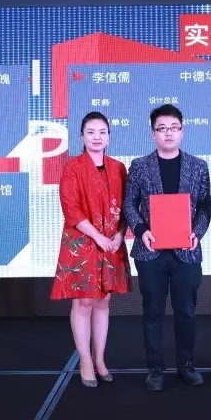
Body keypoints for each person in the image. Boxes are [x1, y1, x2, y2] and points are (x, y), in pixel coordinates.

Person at [123, 104, 211, 391]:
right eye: (162, 129)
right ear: (153, 134)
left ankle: (187, 365)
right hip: (151, 252)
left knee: (186, 312)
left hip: (187, 251)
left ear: (182, 131)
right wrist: (141, 231)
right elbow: (129, 204)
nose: (168, 133)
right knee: (153, 312)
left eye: (174, 128)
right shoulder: (140, 166)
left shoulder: (198, 166)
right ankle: (155, 369)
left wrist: (197, 232)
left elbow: (205, 206)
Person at [51, 111, 131, 388]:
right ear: (82, 136)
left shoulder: (118, 168)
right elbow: (71, 209)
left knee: (103, 301)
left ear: (109, 136)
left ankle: (100, 359)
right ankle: (85, 360)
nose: (97, 137)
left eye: (102, 132)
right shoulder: (72, 167)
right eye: (91, 132)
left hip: (111, 243)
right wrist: (98, 236)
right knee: (83, 302)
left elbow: (128, 207)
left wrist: (119, 235)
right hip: (82, 243)